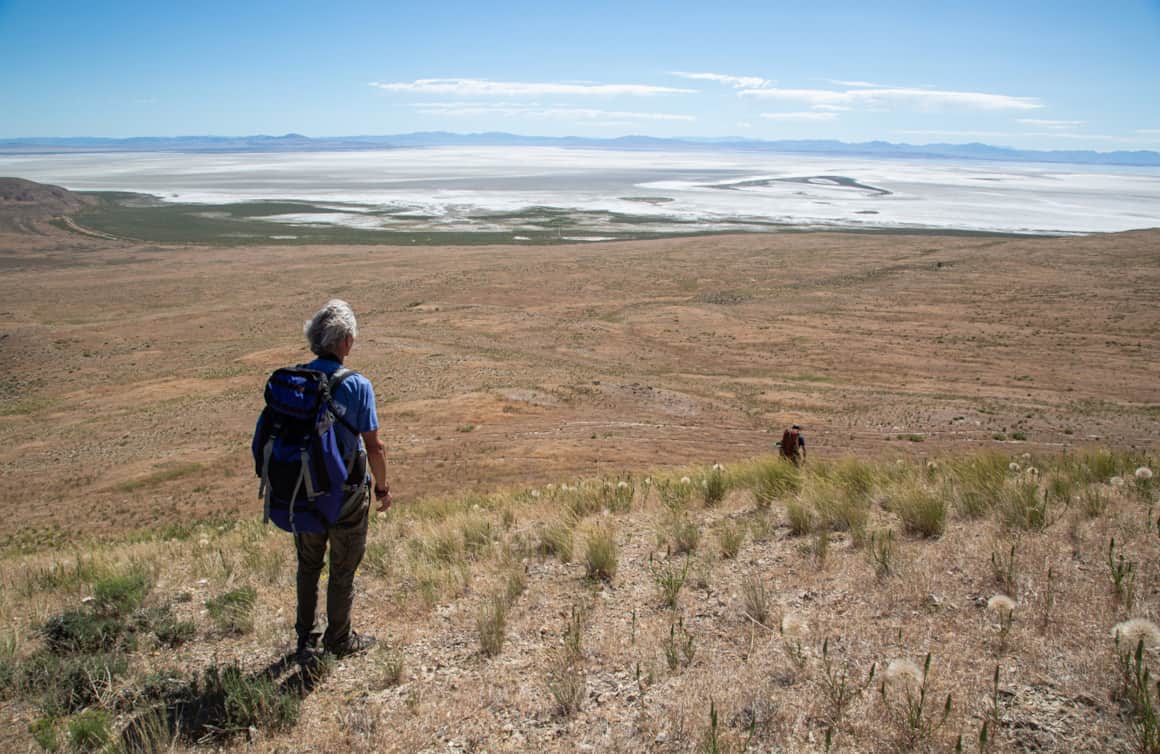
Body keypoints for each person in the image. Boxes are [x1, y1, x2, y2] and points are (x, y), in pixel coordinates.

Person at [295, 299, 391, 661]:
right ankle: (338, 640)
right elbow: (374, 446)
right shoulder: (357, 385)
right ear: (345, 341)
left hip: (303, 489)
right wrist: (382, 488)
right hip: (345, 493)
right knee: (342, 568)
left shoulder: (297, 380)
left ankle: (305, 639)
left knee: (308, 565)